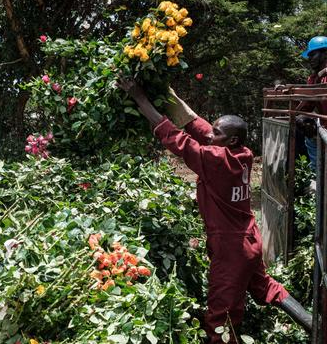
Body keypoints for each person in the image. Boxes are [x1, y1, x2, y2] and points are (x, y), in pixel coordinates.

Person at [116, 78, 312, 343]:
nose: (210, 136)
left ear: (229, 140)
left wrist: (140, 97)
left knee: (221, 318)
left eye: (217, 134)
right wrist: (168, 94)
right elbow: (200, 128)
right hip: (249, 239)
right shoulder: (240, 153)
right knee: (265, 287)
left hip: (231, 248)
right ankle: (315, 325)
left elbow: (176, 139)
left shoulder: (218, 161)